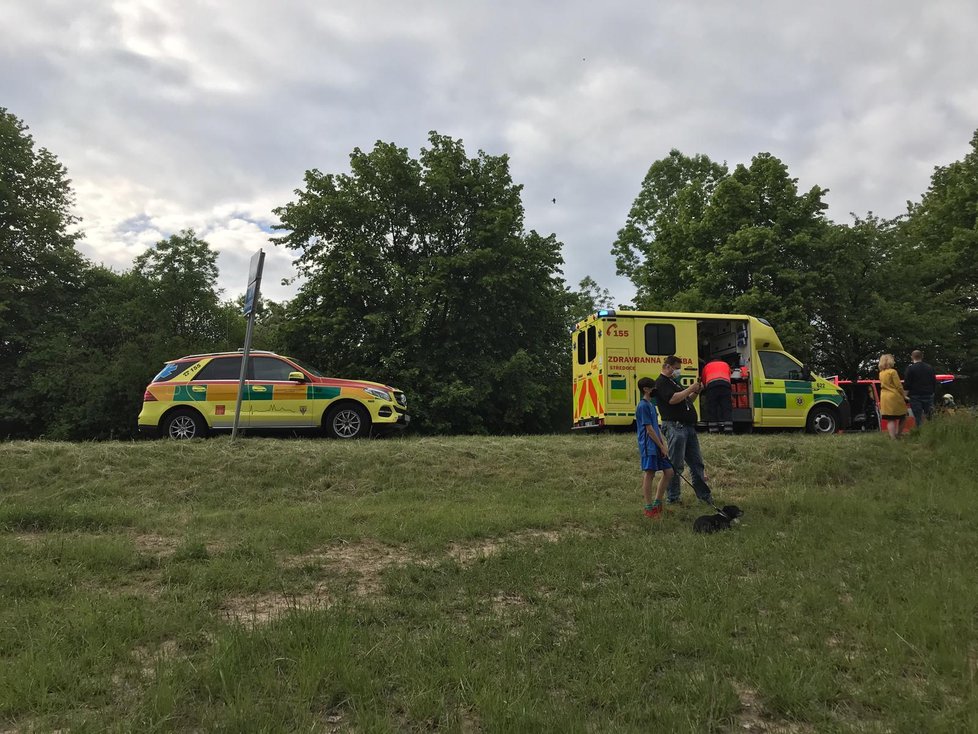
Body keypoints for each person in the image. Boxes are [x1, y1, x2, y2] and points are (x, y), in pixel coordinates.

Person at [654, 356, 713, 505]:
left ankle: (704, 496)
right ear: (668, 366)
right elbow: (672, 399)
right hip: (675, 427)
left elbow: (685, 400)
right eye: (676, 368)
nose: (678, 371)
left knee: (696, 463)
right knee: (676, 464)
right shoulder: (661, 383)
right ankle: (673, 497)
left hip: (688, 427)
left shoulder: (674, 382)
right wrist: (689, 389)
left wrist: (696, 392)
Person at [636, 377, 673, 518]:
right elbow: (649, 429)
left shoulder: (651, 405)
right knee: (650, 473)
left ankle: (658, 501)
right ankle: (648, 507)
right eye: (653, 388)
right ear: (646, 389)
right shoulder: (643, 406)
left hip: (657, 444)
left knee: (669, 471)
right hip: (649, 445)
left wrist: (663, 444)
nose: (655, 390)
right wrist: (660, 446)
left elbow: (656, 427)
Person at [903, 350, 937, 427]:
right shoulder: (929, 367)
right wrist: (933, 392)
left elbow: (907, 383)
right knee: (930, 416)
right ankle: (933, 431)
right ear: (922, 356)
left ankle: (920, 433)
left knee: (918, 417)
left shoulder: (910, 369)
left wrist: (904, 395)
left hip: (915, 396)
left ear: (912, 357)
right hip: (928, 394)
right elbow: (934, 381)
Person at [878, 353, 907, 439]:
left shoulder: (881, 373)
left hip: (884, 396)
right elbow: (898, 386)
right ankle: (898, 434)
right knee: (903, 416)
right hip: (894, 396)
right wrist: (904, 395)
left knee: (890, 419)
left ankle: (892, 437)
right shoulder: (893, 372)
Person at [701, 358, 734, 434]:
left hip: (712, 386)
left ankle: (713, 430)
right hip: (725, 386)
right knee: (726, 408)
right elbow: (729, 375)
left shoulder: (707, 366)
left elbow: (703, 378)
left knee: (712, 408)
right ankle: (728, 430)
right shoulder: (725, 364)